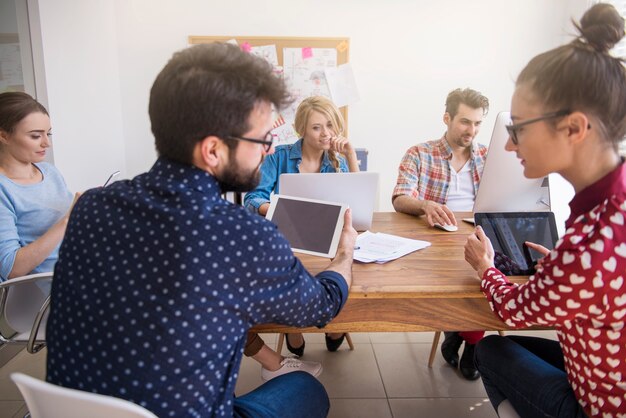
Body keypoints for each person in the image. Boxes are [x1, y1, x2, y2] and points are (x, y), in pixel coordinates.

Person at [46, 43, 357, 418]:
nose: (267, 150)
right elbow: (320, 307)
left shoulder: (91, 207)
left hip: (70, 412)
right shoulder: (242, 236)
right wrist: (343, 256)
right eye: (261, 140)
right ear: (213, 150)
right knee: (305, 387)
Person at [465, 4, 626, 417]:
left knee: (493, 346)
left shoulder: (590, 245)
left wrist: (486, 267)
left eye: (518, 128)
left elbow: (511, 311)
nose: (508, 145)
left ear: (573, 128)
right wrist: (564, 271)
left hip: (599, 409)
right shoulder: (608, 215)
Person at [244, 96, 359, 361]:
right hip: (288, 236)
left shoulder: (336, 162)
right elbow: (253, 199)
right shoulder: (279, 157)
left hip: (326, 237)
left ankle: (332, 326)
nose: (326, 134)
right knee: (289, 274)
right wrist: (281, 210)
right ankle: (295, 330)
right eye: (317, 127)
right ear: (302, 129)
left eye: (330, 125)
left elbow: (356, 204)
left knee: (341, 269)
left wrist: (350, 155)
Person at [392, 87, 489, 380]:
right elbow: (399, 198)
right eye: (464, 122)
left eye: (477, 123)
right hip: (435, 242)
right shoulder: (419, 153)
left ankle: (469, 341)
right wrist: (425, 205)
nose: (471, 130)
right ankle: (466, 336)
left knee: (484, 274)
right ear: (446, 118)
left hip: (477, 235)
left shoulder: (488, 156)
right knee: (467, 277)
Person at [0, 92, 76, 282]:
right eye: (35, 136)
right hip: (42, 295)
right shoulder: (4, 189)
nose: (46, 143)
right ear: (4, 136)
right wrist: (66, 221)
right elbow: (11, 268)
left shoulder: (50, 173)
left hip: (76, 274)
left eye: (48, 133)